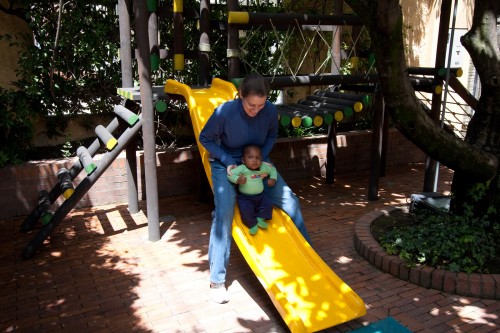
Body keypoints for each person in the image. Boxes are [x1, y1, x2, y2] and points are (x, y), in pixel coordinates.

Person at [199, 73, 312, 304]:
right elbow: (206, 139)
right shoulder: (224, 112)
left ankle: (310, 260)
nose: (256, 110)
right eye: (252, 105)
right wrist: (228, 161)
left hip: (256, 161)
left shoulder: (269, 111)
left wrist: (263, 158)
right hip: (227, 161)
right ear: (240, 96)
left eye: (261, 105)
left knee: (291, 201)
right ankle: (217, 280)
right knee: (224, 213)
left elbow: (272, 135)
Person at [227, 144, 277, 235]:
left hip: (260, 196)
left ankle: (260, 218)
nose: (254, 160)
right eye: (250, 157)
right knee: (246, 211)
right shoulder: (242, 168)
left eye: (258, 157)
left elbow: (272, 170)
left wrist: (273, 178)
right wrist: (238, 179)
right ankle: (252, 224)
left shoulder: (263, 167)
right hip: (245, 198)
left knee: (268, 204)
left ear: (261, 159)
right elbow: (230, 174)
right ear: (243, 160)